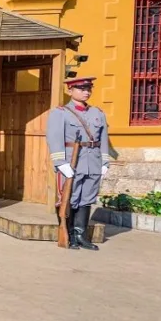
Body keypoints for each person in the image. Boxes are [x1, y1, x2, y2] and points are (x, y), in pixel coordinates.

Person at [46, 76, 110, 251]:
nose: (86, 92)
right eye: (81, 89)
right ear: (70, 90)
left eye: (89, 89)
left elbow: (103, 138)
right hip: (72, 162)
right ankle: (69, 235)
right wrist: (60, 162)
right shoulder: (60, 113)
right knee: (69, 198)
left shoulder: (98, 113)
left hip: (93, 162)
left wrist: (105, 161)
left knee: (87, 199)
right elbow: (54, 137)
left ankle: (80, 235)